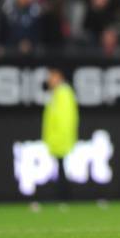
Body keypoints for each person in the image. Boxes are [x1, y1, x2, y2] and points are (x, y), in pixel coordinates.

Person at [42, 68, 79, 202]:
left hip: (61, 140)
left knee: (64, 171)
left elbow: (65, 119)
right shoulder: (56, 93)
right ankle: (63, 199)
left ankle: (65, 199)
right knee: (60, 170)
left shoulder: (63, 93)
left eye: (52, 76)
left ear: (59, 76)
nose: (50, 80)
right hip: (57, 140)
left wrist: (60, 139)